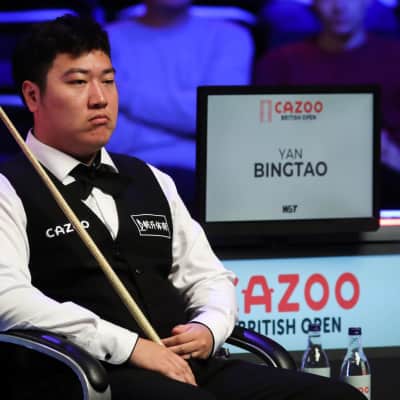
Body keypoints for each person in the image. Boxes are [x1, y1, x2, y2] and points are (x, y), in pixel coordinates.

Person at [0, 14, 365, 400]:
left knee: (337, 397)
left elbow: (209, 277)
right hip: (96, 377)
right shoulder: (9, 187)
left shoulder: (151, 179)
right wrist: (129, 347)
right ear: (32, 96)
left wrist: (209, 327)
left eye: (107, 80)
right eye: (78, 82)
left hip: (191, 368)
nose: (100, 98)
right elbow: (9, 299)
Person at [104, 0, 254, 211]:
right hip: (123, 169)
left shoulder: (230, 37)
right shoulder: (104, 39)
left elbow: (217, 118)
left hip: (205, 174)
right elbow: (108, 130)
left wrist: (123, 93)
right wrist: (187, 122)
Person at [254, 0, 400, 209]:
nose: (339, 7)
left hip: (385, 186)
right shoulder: (280, 63)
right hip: (303, 187)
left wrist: (392, 157)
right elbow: (261, 143)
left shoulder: (395, 58)